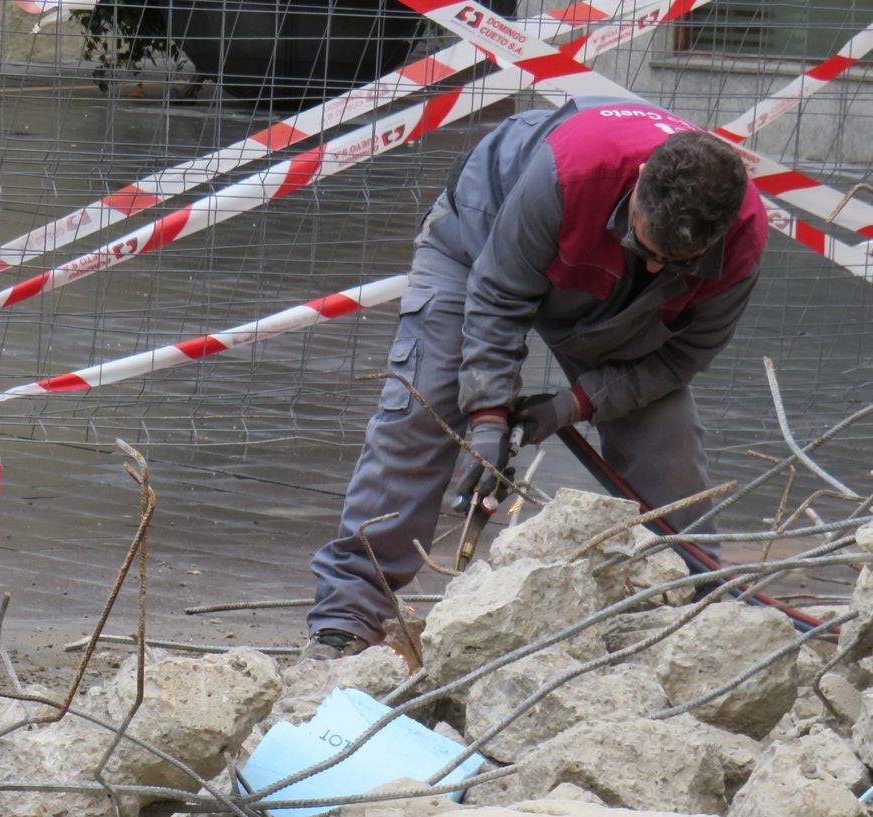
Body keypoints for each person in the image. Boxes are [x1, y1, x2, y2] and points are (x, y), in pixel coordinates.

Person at [301, 97, 768, 660]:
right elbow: (497, 297)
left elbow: (676, 362)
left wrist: (567, 407)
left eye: (675, 261)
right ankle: (348, 614)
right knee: (422, 411)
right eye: (645, 246)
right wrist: (488, 421)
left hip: (616, 302)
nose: (653, 267)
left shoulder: (741, 239)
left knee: (667, 445)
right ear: (641, 181)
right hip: (479, 246)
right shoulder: (568, 171)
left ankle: (708, 617)